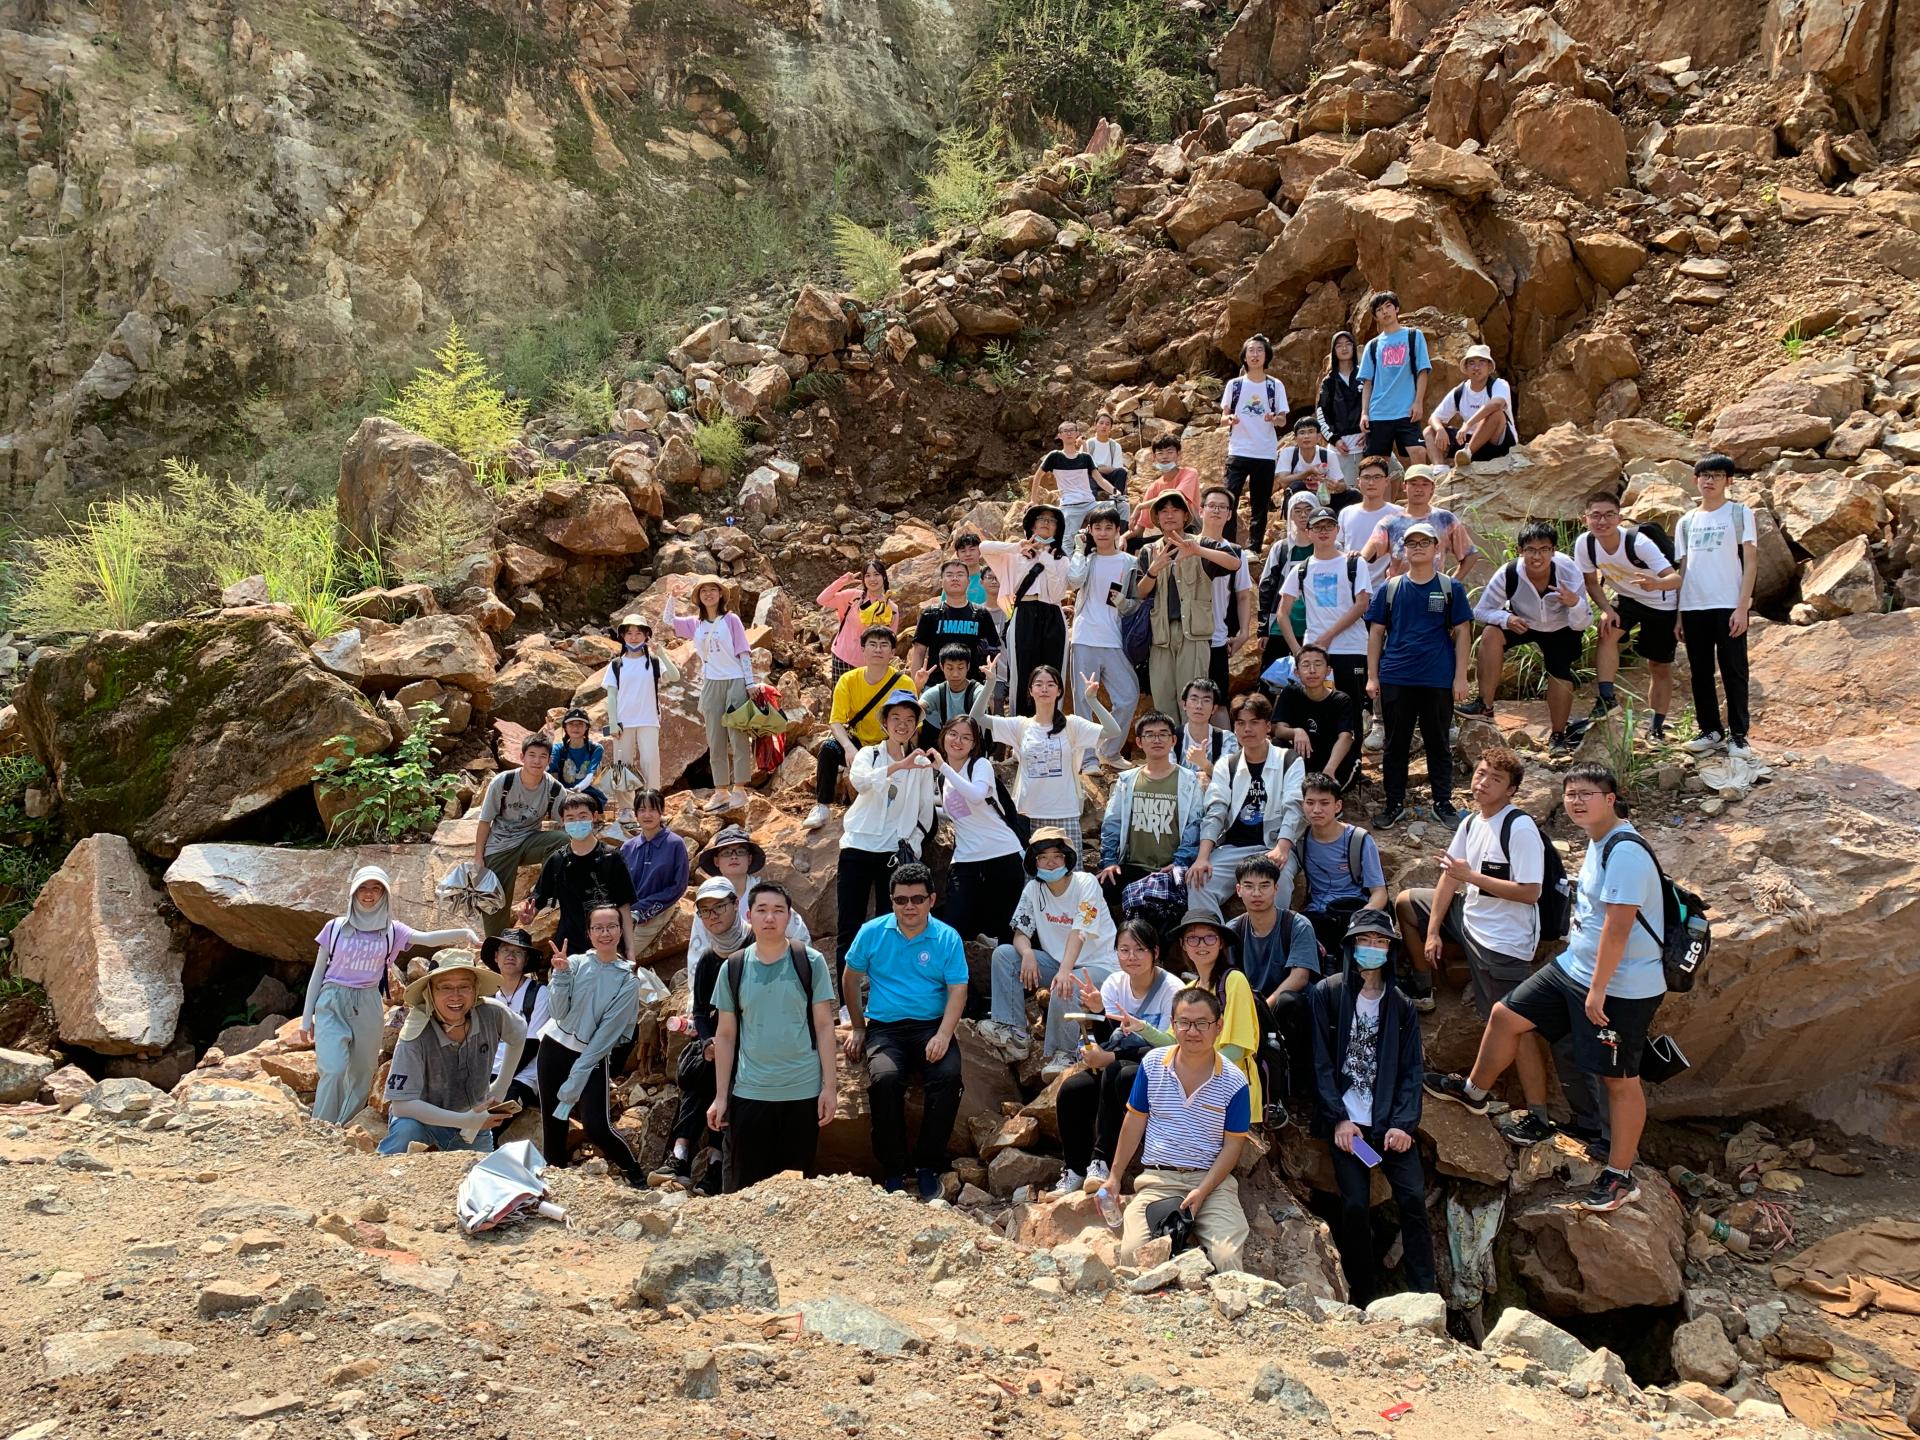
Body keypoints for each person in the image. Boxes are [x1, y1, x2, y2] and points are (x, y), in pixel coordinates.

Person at [1427, 763, 1666, 1212]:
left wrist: (1598, 990)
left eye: (1587, 794)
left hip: (1621, 985)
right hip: (1574, 967)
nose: (1576, 802)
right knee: (1506, 1015)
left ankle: (1620, 1175)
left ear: (1610, 799)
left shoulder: (1626, 852)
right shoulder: (1598, 841)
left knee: (1619, 1079)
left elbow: (1618, 928)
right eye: (1570, 794)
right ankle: (1475, 1092)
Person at [1395, 748, 1607, 1146]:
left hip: (1502, 941)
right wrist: (1434, 930)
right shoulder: (1472, 821)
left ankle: (1538, 1115)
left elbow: (1529, 892)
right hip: (1469, 918)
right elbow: (1449, 878)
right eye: (1480, 773)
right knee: (1408, 903)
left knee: (1516, 1024)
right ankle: (1425, 987)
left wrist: (1471, 876)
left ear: (1511, 790)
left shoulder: (1519, 828)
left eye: (1494, 779)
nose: (1482, 783)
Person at [1307, 909, 1436, 1305]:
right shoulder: (1327, 994)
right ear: (1351, 946)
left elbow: (1412, 1070)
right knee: (1355, 1206)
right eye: (1365, 941)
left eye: (1381, 942)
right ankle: (1363, 1298)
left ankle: (1426, 1295)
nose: (1372, 948)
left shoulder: (1400, 1005)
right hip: (1349, 1127)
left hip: (1388, 1125)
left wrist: (1403, 1124)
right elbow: (1320, 1063)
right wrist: (1338, 1119)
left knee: (1413, 1200)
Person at [303, 866, 479, 1126]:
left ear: (384, 894)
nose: (369, 894)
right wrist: (306, 1018)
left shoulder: (393, 931)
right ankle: (321, 1126)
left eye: (376, 889)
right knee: (333, 1068)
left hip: (368, 1002)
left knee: (364, 1071)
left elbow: (427, 939)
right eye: (363, 888)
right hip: (332, 1000)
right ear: (354, 892)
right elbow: (318, 973)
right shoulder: (335, 927)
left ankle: (341, 1127)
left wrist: (463, 933)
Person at [842, 863, 969, 1199]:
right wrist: (858, 1027)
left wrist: (944, 1034)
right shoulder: (872, 932)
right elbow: (850, 979)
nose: (909, 906)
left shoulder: (947, 937)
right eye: (901, 900)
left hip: (931, 1025)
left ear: (932, 900)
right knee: (884, 1080)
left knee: (948, 1078)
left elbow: (958, 988)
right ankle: (894, 1169)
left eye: (917, 899)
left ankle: (928, 1165)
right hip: (885, 1028)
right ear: (892, 901)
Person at [1108, 985, 1252, 1272]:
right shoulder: (1152, 1065)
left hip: (1212, 1183)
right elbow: (1134, 1122)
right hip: (1158, 1180)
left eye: (1202, 1023)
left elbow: (1233, 1145)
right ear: (1173, 1025)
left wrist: (1202, 1190)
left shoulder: (1235, 1081)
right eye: (1184, 1023)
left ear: (1218, 1026)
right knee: (1133, 1254)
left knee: (1226, 1258)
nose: (1192, 1031)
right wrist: (1114, 1176)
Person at [707, 881, 837, 1192]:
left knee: (795, 1189)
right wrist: (721, 1096)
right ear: (748, 915)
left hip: (802, 1091)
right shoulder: (734, 967)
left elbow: (824, 1026)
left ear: (789, 917)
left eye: (778, 911)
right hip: (750, 1092)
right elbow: (725, 1035)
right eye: (762, 910)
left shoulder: (810, 961)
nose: (769, 918)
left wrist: (830, 1088)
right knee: (747, 1190)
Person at [1055, 918, 1181, 1193]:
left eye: (1140, 949)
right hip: (1118, 1066)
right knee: (1072, 1090)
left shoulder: (1173, 990)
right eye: (1124, 950)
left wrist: (1109, 1059)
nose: (1131, 957)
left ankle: (1101, 1161)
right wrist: (1098, 1011)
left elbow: (1170, 1048)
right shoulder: (1114, 983)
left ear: (1155, 952)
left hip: (1159, 1072)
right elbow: (1108, 1042)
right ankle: (1074, 1169)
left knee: (1118, 1073)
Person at [982, 829, 1119, 1073]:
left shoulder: (1085, 883)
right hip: (1058, 962)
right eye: (1043, 857)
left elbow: (1080, 931)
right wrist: (1027, 953)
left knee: (1067, 983)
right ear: (1034, 862)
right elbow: (1020, 934)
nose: (1051, 862)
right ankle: (1014, 1032)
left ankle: (1064, 1054)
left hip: (1099, 966)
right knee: (1004, 955)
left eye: (1057, 856)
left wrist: (1065, 971)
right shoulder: (1033, 890)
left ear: (1067, 858)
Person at [1366, 521, 1473, 829]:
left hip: (1437, 677)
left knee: (1438, 742)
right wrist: (1372, 676)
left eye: (1424, 542)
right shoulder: (1390, 588)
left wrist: (1461, 676)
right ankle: (1393, 803)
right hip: (1396, 676)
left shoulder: (1450, 588)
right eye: (1412, 543)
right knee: (1395, 744)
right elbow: (1376, 633)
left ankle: (1443, 802)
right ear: (1404, 549)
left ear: (1437, 548)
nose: (1418, 548)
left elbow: (1463, 632)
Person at [1459, 521, 1594, 755]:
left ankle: (1558, 735)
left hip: (1562, 626)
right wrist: (1506, 619)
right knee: (1491, 633)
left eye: (1544, 549)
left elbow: (1583, 623)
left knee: (1560, 670)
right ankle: (1485, 706)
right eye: (1531, 550)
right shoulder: (1509, 573)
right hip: (1522, 622)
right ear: (1520, 551)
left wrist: (1575, 603)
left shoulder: (1568, 571)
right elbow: (1480, 611)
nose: (1537, 556)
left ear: (1554, 550)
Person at [536, 904, 646, 1187]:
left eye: (611, 926)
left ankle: (634, 1173)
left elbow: (607, 1034)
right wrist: (560, 975)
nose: (605, 933)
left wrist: (579, 1073)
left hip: (592, 1055)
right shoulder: (574, 963)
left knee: (597, 1126)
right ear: (589, 933)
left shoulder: (627, 979)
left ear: (621, 931)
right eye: (598, 928)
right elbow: (557, 1012)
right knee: (553, 1123)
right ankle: (555, 1182)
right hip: (553, 1047)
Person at [835, 693, 938, 990]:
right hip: (857, 847)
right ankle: (846, 1000)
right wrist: (899, 766)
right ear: (884, 722)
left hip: (893, 852)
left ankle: (883, 993)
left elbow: (925, 810)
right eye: (896, 718)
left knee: (890, 924)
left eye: (909, 720)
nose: (902, 725)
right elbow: (860, 782)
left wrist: (912, 843)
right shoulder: (869, 755)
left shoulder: (921, 764)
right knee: (849, 924)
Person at [380, 949, 526, 1155]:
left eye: (464, 986)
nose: (455, 996)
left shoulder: (492, 1013)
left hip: (473, 1129)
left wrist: (501, 1087)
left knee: (481, 1173)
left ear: (475, 989)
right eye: (445, 987)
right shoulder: (415, 1033)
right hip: (425, 1123)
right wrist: (464, 1120)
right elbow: (402, 1105)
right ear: (430, 991)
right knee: (406, 1129)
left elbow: (519, 1033)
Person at [655, 875, 743, 1192]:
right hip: (719, 1039)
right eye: (705, 911)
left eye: (719, 907)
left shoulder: (754, 947)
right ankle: (689, 1158)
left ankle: (707, 1159)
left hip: (752, 1039)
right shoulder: (709, 957)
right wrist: (707, 1042)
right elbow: (702, 1012)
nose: (713, 916)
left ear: (736, 905)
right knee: (704, 1066)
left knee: (724, 1072)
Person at [987, 664, 1120, 862]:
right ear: (1030, 690)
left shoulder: (1072, 724)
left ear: (1059, 691)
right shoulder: (1020, 725)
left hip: (1065, 812)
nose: (1044, 688)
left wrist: (1092, 700)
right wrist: (990, 683)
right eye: (1039, 684)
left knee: (1070, 872)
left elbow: (1113, 731)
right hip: (1028, 813)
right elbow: (976, 718)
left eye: (1050, 684)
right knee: (1031, 874)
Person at [1577, 490, 1681, 742]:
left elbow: (1675, 579)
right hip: (1628, 598)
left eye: (1609, 515)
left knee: (1658, 665)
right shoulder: (1585, 543)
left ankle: (1656, 726)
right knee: (1607, 633)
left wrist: (1656, 584)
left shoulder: (1639, 543)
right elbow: (1590, 582)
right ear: (1585, 519)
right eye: (1596, 515)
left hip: (1661, 603)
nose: (1602, 521)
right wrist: (1607, 609)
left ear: (1620, 518)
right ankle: (1606, 699)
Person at [1188, 691, 1305, 914]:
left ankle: (1271, 936)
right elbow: (1216, 810)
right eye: (1240, 723)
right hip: (1233, 847)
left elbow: (1294, 808)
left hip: (1273, 845)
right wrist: (1202, 857)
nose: (1247, 729)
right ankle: (1214, 936)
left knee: (1277, 881)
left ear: (1268, 726)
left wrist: (1282, 848)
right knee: (1198, 881)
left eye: (1254, 722)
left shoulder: (1289, 760)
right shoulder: (1227, 764)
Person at [1673, 453, 1758, 760]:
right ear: (1695, 480)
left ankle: (1739, 735)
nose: (1709, 481)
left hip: (1727, 603)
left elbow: (1751, 562)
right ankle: (1710, 730)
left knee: (1734, 670)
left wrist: (1742, 607)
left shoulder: (1739, 513)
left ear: (1728, 481)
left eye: (1717, 475)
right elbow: (1683, 568)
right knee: (1700, 672)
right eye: (1704, 475)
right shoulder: (1686, 521)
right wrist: (1679, 615)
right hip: (1694, 605)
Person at [1227, 854, 1322, 1108]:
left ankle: (1294, 1089)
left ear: (1276, 889)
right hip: (1250, 1008)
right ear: (1238, 890)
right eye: (1249, 886)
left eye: (1264, 886)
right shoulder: (1233, 930)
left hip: (1286, 1010)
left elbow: (1300, 977)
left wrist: (1262, 1010)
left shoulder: (1297, 925)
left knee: (1290, 1002)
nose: (1256, 893)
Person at [1133, 492, 1240, 715]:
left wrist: (1197, 550)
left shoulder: (1202, 543)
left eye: (1175, 510)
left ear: (1185, 516)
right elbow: (1140, 593)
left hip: (1194, 634)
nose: (1169, 515)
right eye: (1164, 511)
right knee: (1163, 702)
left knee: (1192, 703)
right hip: (1160, 636)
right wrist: (1153, 570)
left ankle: (1191, 740)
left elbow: (1234, 563)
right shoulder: (1149, 551)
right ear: (1157, 518)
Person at [1096, 710, 1204, 922]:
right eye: (1150, 735)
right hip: (1132, 866)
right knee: (1096, 890)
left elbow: (1195, 824)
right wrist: (1109, 861)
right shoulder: (1127, 780)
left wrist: (1180, 862)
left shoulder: (1189, 781)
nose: (1157, 740)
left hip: (1170, 867)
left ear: (1173, 740)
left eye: (1163, 734)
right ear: (1139, 741)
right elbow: (1112, 822)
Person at [806, 624, 914, 830]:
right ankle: (822, 807)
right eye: (872, 644)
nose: (878, 649)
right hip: (858, 742)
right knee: (828, 749)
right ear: (862, 649)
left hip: (889, 742)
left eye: (884, 645)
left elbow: (911, 724)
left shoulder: (904, 683)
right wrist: (848, 747)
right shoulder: (848, 680)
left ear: (893, 652)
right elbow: (836, 721)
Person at [663, 573, 756, 813]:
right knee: (715, 739)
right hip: (711, 683)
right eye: (703, 591)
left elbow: (743, 651)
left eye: (713, 589)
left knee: (737, 735)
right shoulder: (695, 624)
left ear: (721, 594)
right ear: (698, 597)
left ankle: (740, 789)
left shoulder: (731, 620)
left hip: (735, 680)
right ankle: (721, 791)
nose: (708, 594)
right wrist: (672, 597)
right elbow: (668, 621)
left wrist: (750, 683)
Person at [933, 715, 1027, 950]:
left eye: (966, 737)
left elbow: (976, 795)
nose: (958, 741)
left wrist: (943, 766)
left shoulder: (980, 765)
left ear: (974, 744)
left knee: (1005, 934)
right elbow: (957, 812)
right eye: (953, 734)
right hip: (966, 858)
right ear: (944, 735)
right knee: (953, 926)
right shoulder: (943, 779)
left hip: (1002, 854)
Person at [1165, 908, 1263, 1116]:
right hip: (1198, 1090)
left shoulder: (1234, 981)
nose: (1201, 944)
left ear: (1221, 943)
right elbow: (1171, 1042)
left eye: (1210, 937)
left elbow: (1237, 1049)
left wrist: (1192, 1071)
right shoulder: (1188, 990)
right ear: (1183, 944)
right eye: (1192, 938)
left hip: (1232, 1092)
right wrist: (1139, 1028)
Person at [1277, 506, 1372, 720]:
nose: (1323, 531)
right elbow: (1282, 612)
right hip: (1315, 654)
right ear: (1308, 532)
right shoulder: (1301, 569)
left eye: (1329, 526)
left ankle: (1354, 745)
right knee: (1316, 713)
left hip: (1350, 647)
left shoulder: (1354, 563)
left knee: (1352, 709)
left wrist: (1328, 636)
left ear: (1337, 529)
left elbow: (1362, 604)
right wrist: (1298, 651)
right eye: (1317, 527)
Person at [518, 793, 636, 959]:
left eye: (582, 816)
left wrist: (630, 951)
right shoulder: (557, 860)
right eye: (570, 818)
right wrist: (528, 916)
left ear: (594, 816)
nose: (577, 822)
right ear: (563, 821)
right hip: (569, 950)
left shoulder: (612, 858)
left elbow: (624, 906)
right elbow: (538, 900)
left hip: (608, 947)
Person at [685, 826, 811, 980]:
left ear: (749, 859)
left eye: (740, 852)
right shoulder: (706, 902)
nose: (733, 857)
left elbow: (800, 936)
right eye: (726, 853)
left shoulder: (765, 896)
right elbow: (697, 954)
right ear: (717, 861)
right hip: (724, 979)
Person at [473, 735, 567, 941]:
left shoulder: (554, 789)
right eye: (532, 755)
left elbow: (566, 822)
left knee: (562, 840)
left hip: (529, 842)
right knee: (495, 901)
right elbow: (485, 821)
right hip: (500, 845)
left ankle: (542, 893)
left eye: (542, 756)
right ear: (522, 757)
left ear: (549, 760)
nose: (537, 761)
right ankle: (495, 944)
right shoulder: (503, 782)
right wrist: (478, 857)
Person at [1068, 504, 1141, 765]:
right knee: (1083, 700)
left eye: (1108, 527)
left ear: (1117, 530)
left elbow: (1135, 604)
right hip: (1085, 636)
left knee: (1128, 695)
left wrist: (1122, 602)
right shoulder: (1087, 560)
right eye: (1097, 527)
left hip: (1114, 639)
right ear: (1089, 530)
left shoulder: (1130, 562)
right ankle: (1086, 758)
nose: (1102, 532)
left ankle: (1109, 752)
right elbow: (1074, 581)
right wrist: (1079, 550)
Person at [981, 506, 1070, 716]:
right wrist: (1016, 546)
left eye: (1052, 520)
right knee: (1022, 672)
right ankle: (1020, 723)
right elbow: (984, 547)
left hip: (1053, 615)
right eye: (1041, 518)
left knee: (1054, 671)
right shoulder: (1015, 556)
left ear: (1058, 528)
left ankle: (1053, 723)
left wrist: (1046, 558)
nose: (1046, 523)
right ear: (1032, 524)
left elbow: (1057, 594)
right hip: (1024, 613)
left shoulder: (1061, 558)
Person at [1298, 772, 1389, 955]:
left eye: (1324, 803)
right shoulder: (1300, 840)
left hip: (1353, 910)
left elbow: (1379, 893)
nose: (1316, 809)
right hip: (1317, 914)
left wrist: (1361, 918)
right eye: (1310, 803)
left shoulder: (1359, 840)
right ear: (1303, 805)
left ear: (1338, 806)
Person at [1221, 334, 1289, 553]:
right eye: (1251, 350)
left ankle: (1254, 547)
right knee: (1229, 498)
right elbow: (1223, 417)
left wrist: (1274, 418)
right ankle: (1228, 545)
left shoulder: (1275, 385)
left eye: (1260, 350)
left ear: (1266, 356)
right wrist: (1229, 419)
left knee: (1260, 503)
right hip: (1238, 450)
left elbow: (1283, 419)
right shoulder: (1235, 385)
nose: (1255, 354)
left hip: (1265, 451)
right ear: (1244, 356)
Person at [1362, 464, 1480, 583]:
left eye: (1425, 484)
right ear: (1404, 486)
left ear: (1432, 488)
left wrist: (1451, 584)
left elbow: (1470, 554)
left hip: (1434, 590)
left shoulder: (1445, 519)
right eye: (1413, 484)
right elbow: (1366, 554)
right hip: (1399, 590)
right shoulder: (1390, 522)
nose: (1419, 489)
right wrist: (1356, 557)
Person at [1195, 485, 1258, 701]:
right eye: (1211, 505)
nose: (1216, 510)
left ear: (1230, 514)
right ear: (1201, 510)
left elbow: (1243, 595)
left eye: (1222, 507)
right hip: (1186, 638)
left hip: (1217, 638)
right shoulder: (1187, 545)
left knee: (1218, 702)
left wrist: (1244, 633)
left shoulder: (1236, 553)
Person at [599, 615, 668, 812]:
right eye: (629, 633)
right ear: (622, 636)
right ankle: (626, 810)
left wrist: (661, 653)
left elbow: (674, 675)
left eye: (639, 633)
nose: (634, 637)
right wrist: (613, 722)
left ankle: (653, 806)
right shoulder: (616, 664)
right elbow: (612, 695)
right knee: (622, 765)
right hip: (623, 722)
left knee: (650, 762)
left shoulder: (653, 662)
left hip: (649, 719)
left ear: (646, 636)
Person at [1357, 291, 1431, 467]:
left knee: (1419, 451)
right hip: (1379, 412)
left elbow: (1422, 371)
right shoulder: (1372, 345)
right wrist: (1364, 413)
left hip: (1406, 411)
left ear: (1396, 308)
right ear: (1376, 317)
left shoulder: (1414, 336)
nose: (1385, 312)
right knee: (1378, 464)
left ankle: (1420, 486)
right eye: (1379, 310)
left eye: (1388, 306)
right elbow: (1367, 382)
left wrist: (1418, 402)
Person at [1277, 645, 1360, 792]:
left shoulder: (1341, 700)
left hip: (1334, 761)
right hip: (1305, 757)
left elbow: (1346, 737)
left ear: (1328, 671)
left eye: (1318, 664)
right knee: (1277, 744)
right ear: (1296, 672)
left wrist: (1329, 771)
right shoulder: (1290, 693)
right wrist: (1296, 732)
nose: (1312, 670)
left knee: (1327, 790)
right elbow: (1277, 729)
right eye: (1306, 665)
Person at [619, 788, 689, 959]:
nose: (647, 815)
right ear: (635, 814)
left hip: (659, 909)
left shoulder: (675, 844)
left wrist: (642, 910)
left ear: (661, 811)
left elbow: (678, 886)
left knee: (625, 954)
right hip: (627, 910)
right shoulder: (628, 847)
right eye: (642, 810)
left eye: (652, 809)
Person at [483, 927, 547, 1110]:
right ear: (496, 956)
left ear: (526, 960)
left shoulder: (539, 993)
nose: (511, 956)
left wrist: (500, 1082)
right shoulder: (487, 995)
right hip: (488, 1071)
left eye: (518, 952)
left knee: (496, 1115)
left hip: (522, 1075)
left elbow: (532, 1044)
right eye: (505, 950)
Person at [1425, 344, 1516, 466]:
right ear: (1466, 368)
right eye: (1472, 363)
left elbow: (1497, 404)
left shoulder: (1499, 384)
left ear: (1489, 367)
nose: (1476, 368)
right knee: (1429, 431)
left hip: (1495, 443)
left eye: (1482, 363)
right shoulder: (1459, 391)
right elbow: (1434, 417)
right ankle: (1439, 468)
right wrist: (1440, 429)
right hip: (1467, 440)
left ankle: (1467, 454)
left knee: (1497, 414)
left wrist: (1468, 424)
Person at [908, 560, 999, 679]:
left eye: (960, 574)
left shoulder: (981, 614)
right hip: (936, 683)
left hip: (973, 683)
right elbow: (919, 652)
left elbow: (993, 651)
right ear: (941, 582)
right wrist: (915, 685)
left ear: (968, 581)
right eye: (949, 575)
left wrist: (989, 682)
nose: (955, 579)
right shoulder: (930, 614)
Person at [1033, 418, 1121, 541]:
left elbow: (1100, 480)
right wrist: (1033, 500)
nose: (1069, 433)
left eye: (1072, 430)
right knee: (1067, 540)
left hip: (1091, 504)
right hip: (1070, 506)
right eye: (1065, 431)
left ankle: (1120, 541)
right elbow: (1038, 476)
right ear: (1059, 435)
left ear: (1077, 434)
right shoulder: (1054, 456)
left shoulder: (1085, 457)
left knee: (1122, 505)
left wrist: (1116, 492)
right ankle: (1078, 543)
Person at [818, 562, 898, 684]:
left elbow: (891, 640)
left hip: (870, 664)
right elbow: (822, 599)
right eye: (868, 575)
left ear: (884, 576)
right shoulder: (853, 597)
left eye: (876, 574)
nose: (872, 579)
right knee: (840, 695)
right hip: (842, 656)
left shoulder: (891, 608)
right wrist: (842, 581)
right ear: (863, 579)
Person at [1128, 434, 1203, 545]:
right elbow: (1140, 528)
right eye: (1160, 453)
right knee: (1131, 543)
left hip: (1190, 530)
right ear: (1154, 457)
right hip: (1167, 535)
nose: (1165, 457)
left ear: (1179, 454)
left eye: (1169, 452)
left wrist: (1140, 506)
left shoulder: (1190, 473)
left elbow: (1175, 496)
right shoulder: (1154, 487)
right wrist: (1123, 538)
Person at [1318, 329, 1365, 484]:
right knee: (1344, 489)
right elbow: (1322, 414)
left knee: (1394, 473)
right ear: (1334, 350)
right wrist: (1334, 439)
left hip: (1365, 442)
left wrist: (1370, 430)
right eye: (1339, 345)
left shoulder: (1365, 375)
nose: (1344, 348)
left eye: (1348, 344)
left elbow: (1376, 404)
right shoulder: (1329, 382)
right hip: (1340, 448)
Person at [919, 643, 991, 744]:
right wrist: (918, 686)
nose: (955, 674)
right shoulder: (939, 691)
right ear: (942, 666)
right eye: (950, 668)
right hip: (949, 746)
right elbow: (914, 712)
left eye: (960, 668)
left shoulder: (977, 691)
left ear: (968, 666)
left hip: (974, 746)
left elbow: (985, 703)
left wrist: (991, 682)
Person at [548, 708, 608, 817]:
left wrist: (577, 789)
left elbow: (591, 775)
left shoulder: (595, 749)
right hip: (562, 792)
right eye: (571, 724)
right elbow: (552, 773)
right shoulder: (557, 749)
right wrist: (562, 792)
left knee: (584, 804)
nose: (575, 727)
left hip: (587, 793)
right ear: (565, 727)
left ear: (586, 727)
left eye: (580, 724)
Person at [1173, 678, 1236, 780]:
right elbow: (1164, 775)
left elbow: (1229, 779)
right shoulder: (1171, 738)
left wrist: (1204, 763)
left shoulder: (1227, 738)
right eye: (1194, 699)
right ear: (1184, 705)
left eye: (1206, 700)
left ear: (1214, 708)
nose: (1199, 706)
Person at [1276, 416, 1336, 503]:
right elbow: (1283, 480)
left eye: (1311, 432)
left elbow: (1341, 484)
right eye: (1302, 433)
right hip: (1298, 500)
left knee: (1352, 494)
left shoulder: (1328, 455)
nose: (1306, 436)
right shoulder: (1288, 453)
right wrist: (1309, 472)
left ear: (1319, 436)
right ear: (1295, 438)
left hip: (1323, 497)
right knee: (1297, 485)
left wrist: (1333, 484)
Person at [1087, 411, 1131, 523]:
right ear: (1095, 425)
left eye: (1107, 424)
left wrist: (1097, 468)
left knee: (1121, 472)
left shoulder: (1115, 446)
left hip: (1108, 477)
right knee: (1089, 475)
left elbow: (1116, 468)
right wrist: (1098, 470)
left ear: (1111, 427)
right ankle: (1090, 505)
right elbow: (1086, 468)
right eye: (1101, 423)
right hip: (1093, 477)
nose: (1104, 426)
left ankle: (1117, 501)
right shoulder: (1089, 444)